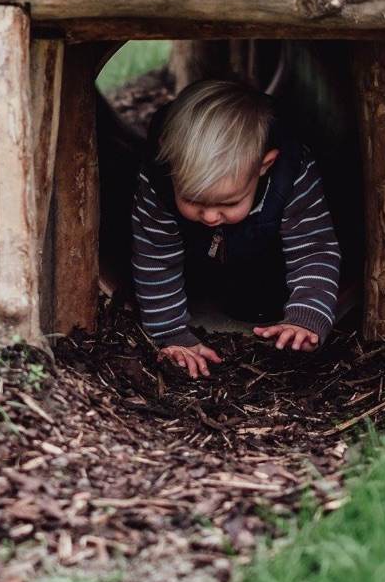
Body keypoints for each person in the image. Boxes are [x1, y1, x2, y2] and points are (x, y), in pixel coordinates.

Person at [132, 79, 342, 378]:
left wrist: (307, 316)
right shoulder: (159, 179)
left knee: (257, 298)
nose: (210, 216)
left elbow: (313, 247)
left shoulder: (292, 175)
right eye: (192, 199)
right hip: (197, 257)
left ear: (264, 165)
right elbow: (154, 256)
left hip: (268, 258)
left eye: (228, 203)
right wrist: (170, 333)